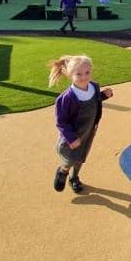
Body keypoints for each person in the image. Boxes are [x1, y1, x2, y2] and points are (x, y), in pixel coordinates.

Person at [49, 55, 114, 194]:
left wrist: (104, 95)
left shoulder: (94, 87)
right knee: (70, 158)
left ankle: (74, 178)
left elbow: (95, 101)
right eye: (79, 74)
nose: (84, 77)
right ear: (70, 75)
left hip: (88, 131)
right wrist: (71, 138)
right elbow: (61, 122)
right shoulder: (66, 98)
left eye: (87, 73)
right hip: (73, 135)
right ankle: (63, 170)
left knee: (81, 156)